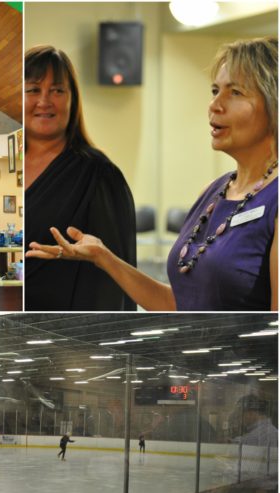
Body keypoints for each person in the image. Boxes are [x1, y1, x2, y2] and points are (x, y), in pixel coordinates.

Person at [27, 38, 278, 311]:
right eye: (215, 90)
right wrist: (103, 256)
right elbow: (177, 304)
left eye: (236, 93)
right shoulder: (213, 193)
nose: (214, 105)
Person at [22, 45, 137, 310]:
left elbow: (115, 280)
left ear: (72, 99)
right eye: (33, 90)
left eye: (57, 90)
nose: (45, 101)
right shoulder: (3, 165)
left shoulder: (99, 174)